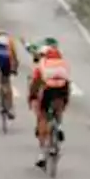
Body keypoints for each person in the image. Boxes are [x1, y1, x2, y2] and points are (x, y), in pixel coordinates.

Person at [27, 37, 71, 169]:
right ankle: (59, 127)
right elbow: (68, 83)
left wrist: (31, 95)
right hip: (62, 89)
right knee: (59, 107)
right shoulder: (64, 64)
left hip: (49, 89)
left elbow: (35, 83)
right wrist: (65, 102)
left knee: (43, 117)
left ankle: (41, 153)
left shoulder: (42, 63)